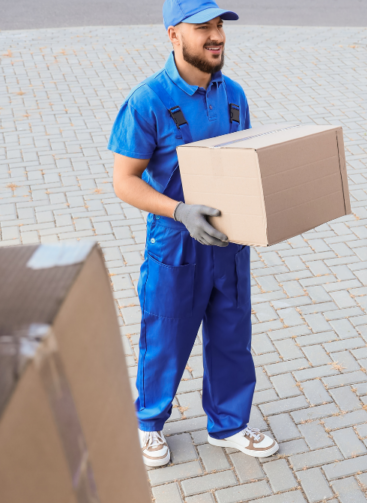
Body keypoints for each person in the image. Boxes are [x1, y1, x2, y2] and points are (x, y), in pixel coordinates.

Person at [109, 0, 278, 467]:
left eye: (220, 25)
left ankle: (229, 424)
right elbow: (124, 181)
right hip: (176, 242)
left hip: (230, 242)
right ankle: (148, 424)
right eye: (202, 26)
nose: (216, 35)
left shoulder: (234, 94)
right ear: (173, 36)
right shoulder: (148, 101)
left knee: (231, 335)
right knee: (164, 334)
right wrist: (180, 211)